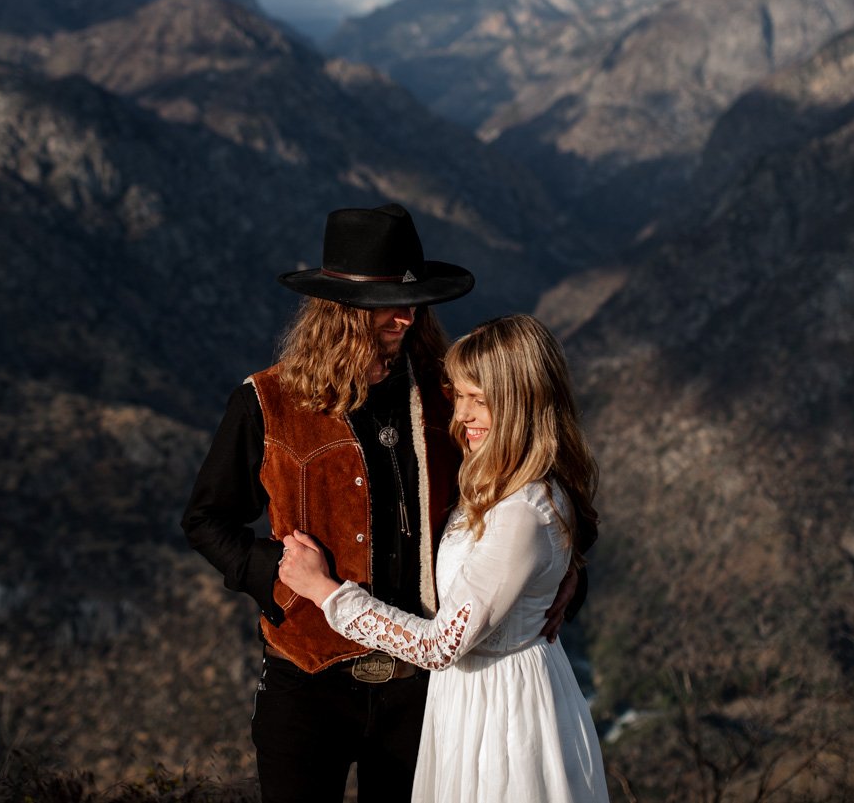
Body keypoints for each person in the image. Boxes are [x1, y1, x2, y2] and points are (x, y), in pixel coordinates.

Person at [183, 203, 490, 803]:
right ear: (339, 309)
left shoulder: (447, 396)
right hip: (307, 682)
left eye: (414, 301)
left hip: (423, 687)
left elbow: (521, 485)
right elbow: (205, 519)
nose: (406, 317)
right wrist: (277, 577)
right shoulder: (267, 401)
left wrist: (565, 575)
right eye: (387, 305)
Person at [279, 314, 608, 803]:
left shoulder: (521, 511)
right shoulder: (500, 478)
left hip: (504, 713)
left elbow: (439, 646)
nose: (464, 415)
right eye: (462, 396)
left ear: (522, 403)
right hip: (476, 697)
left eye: (482, 400)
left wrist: (325, 591)